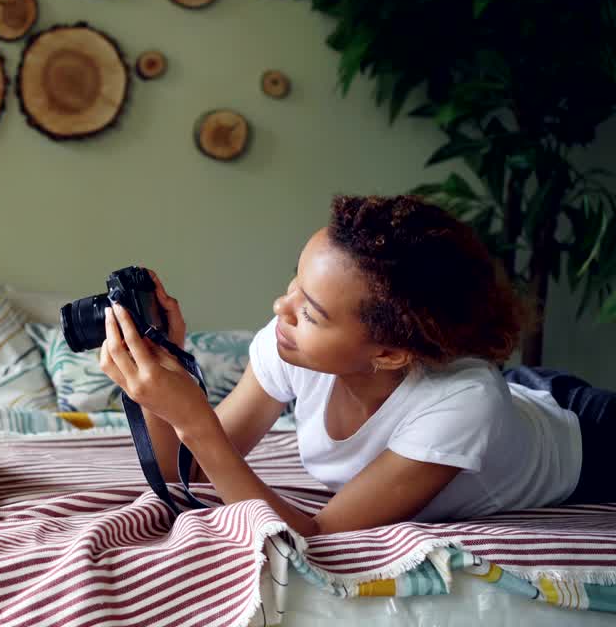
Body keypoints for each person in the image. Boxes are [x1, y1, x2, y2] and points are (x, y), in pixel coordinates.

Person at [99, 194, 613, 536]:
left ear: (388, 352)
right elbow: (184, 469)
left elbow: (316, 536)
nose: (282, 309)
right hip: (519, 398)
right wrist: (156, 375)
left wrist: (194, 419)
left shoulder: (464, 406)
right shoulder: (292, 347)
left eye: (310, 312)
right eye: (294, 284)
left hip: (587, 434)